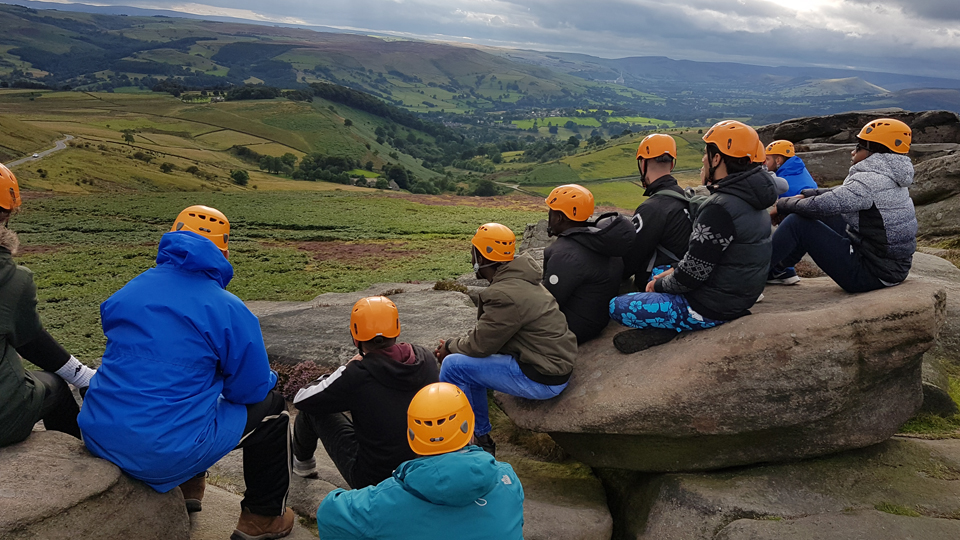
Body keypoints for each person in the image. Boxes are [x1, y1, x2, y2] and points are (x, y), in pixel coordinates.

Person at [78, 205, 294, 540]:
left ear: (171, 238)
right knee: (273, 409)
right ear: (224, 252)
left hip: (99, 435)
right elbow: (249, 391)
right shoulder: (228, 308)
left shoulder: (129, 291)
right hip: (162, 453)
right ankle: (262, 517)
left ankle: (190, 486)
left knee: (190, 391)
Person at [610, 121, 777, 353]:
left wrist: (659, 286)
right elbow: (707, 258)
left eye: (706, 154)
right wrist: (671, 272)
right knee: (660, 271)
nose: (703, 159)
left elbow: (691, 276)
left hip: (711, 307)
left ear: (717, 159)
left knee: (619, 306)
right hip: (735, 295)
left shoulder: (719, 208)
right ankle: (671, 320)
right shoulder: (749, 198)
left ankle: (674, 324)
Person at [435, 223, 576, 456]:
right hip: (551, 365)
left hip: (543, 377)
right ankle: (480, 436)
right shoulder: (521, 280)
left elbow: (479, 346)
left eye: (473, 252)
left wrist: (449, 346)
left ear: (481, 257)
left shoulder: (504, 294)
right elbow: (488, 336)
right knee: (468, 366)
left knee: (453, 366)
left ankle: (465, 441)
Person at [316, 382, 523, 540]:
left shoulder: (385, 501)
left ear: (411, 435)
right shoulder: (508, 479)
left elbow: (328, 514)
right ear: (468, 428)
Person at [291, 296, 439, 488]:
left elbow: (302, 399)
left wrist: (345, 368)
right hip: (424, 469)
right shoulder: (425, 358)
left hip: (375, 480)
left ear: (355, 338)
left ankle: (303, 465)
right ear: (397, 329)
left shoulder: (357, 374)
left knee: (313, 411)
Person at [1, 163, 96, 448]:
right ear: (5, 214)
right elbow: (30, 340)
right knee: (55, 389)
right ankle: (73, 463)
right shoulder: (12, 279)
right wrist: (82, 376)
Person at [767, 118, 917, 292]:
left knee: (798, 223)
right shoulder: (888, 175)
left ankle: (750, 275)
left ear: (872, 152)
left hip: (871, 274)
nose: (853, 152)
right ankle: (779, 270)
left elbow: (822, 206)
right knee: (816, 213)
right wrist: (805, 195)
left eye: (858, 147)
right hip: (887, 267)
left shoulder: (870, 181)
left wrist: (783, 204)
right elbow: (840, 194)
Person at [542, 184, 633, 343]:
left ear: (560, 217)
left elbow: (548, 301)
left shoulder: (564, 254)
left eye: (551, 212)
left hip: (572, 329)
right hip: (597, 320)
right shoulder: (601, 240)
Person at [621, 133, 694, 289]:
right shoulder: (685, 197)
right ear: (672, 164)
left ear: (643, 164)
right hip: (684, 282)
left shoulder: (651, 208)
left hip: (657, 286)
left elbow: (629, 261)